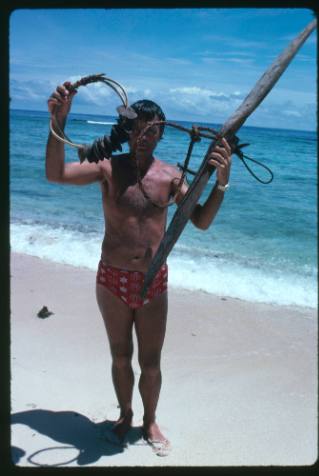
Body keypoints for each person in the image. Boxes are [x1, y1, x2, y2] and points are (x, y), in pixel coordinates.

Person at [46, 81, 232, 456]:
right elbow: (56, 174)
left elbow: (200, 221)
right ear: (126, 130)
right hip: (111, 277)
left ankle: (149, 420)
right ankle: (125, 415)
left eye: (151, 129)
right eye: (136, 128)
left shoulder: (171, 177)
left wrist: (221, 184)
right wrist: (58, 121)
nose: (143, 135)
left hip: (153, 281)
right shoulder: (108, 168)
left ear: (162, 133)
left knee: (150, 361)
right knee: (119, 356)